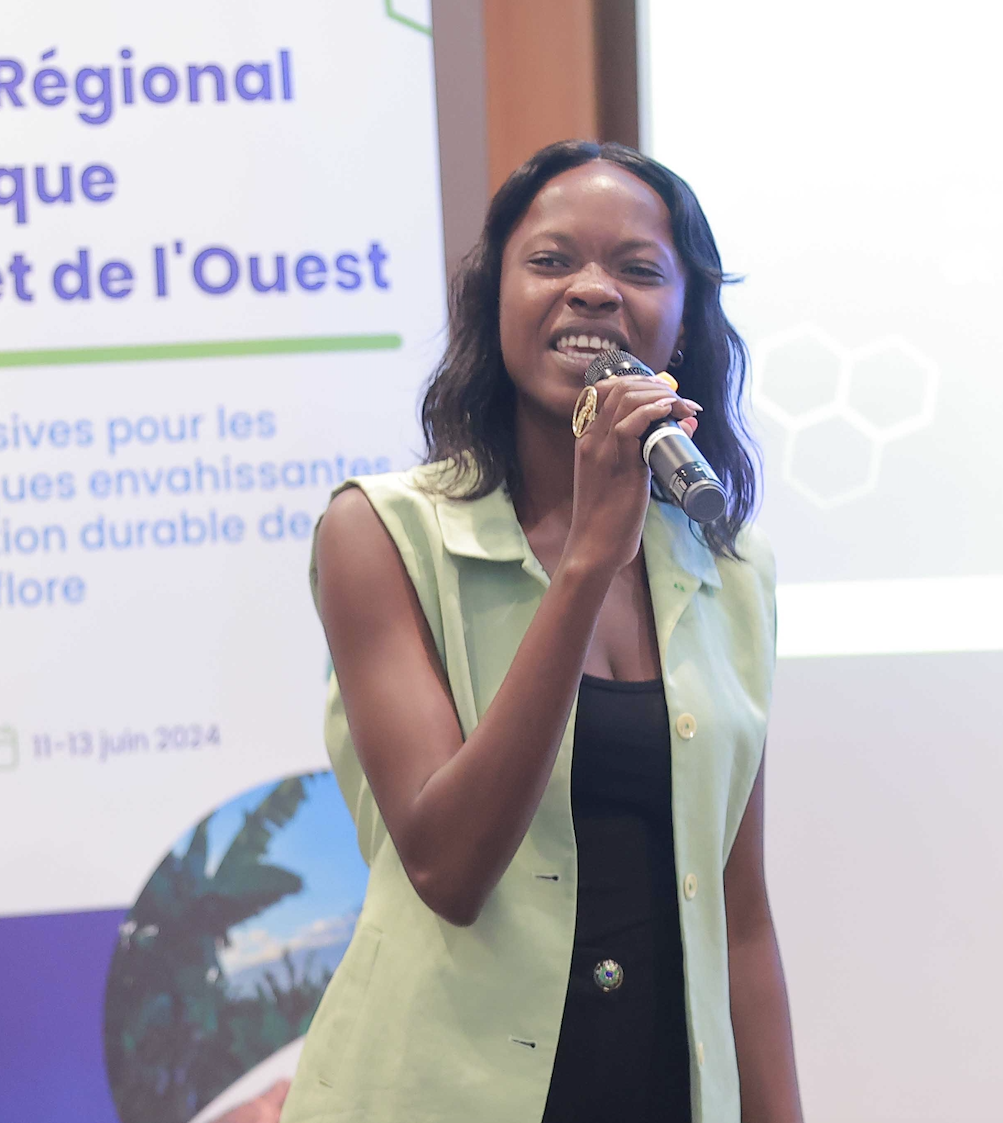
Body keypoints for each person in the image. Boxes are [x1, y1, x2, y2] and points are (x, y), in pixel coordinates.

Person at [282, 141, 801, 1122]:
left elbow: (739, 919)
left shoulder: (731, 569)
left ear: (684, 321)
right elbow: (448, 866)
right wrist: (585, 566)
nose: (593, 290)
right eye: (552, 261)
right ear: (493, 302)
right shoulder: (382, 533)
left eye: (638, 268)